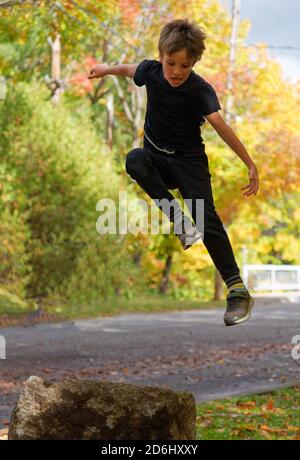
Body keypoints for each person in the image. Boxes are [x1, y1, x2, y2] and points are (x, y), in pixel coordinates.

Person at [88, 18, 259, 326]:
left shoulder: (199, 90)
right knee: (134, 159)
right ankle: (179, 220)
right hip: (156, 158)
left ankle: (237, 291)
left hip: (189, 164)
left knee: (206, 217)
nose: (177, 72)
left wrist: (249, 163)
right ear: (162, 56)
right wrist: (104, 70)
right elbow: (130, 69)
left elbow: (221, 127)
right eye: (172, 63)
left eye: (185, 65)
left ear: (194, 63)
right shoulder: (152, 71)